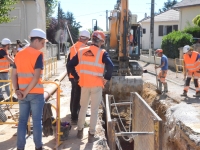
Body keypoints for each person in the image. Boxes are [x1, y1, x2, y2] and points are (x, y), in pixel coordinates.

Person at [68, 30, 114, 143]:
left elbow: (70, 64)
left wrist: (77, 76)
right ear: (101, 41)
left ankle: (79, 131)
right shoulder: (102, 53)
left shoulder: (81, 51)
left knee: (83, 108)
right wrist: (106, 79)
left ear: (92, 39)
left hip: (84, 84)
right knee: (94, 110)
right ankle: (91, 135)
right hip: (97, 85)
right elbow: (111, 66)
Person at [11, 28, 47, 150]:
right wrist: (25, 92)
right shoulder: (38, 55)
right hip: (35, 93)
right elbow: (36, 77)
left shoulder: (19, 54)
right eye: (42, 43)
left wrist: (17, 91)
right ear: (36, 40)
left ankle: (20, 147)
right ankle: (38, 147)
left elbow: (13, 74)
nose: (42, 46)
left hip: (21, 93)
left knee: (22, 121)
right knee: (36, 122)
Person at [66, 30, 90, 125]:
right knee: (78, 96)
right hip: (80, 76)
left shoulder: (72, 47)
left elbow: (68, 63)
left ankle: (73, 112)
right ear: (87, 39)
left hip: (73, 75)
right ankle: (75, 117)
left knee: (74, 94)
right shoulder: (86, 49)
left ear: (80, 37)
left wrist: (70, 75)